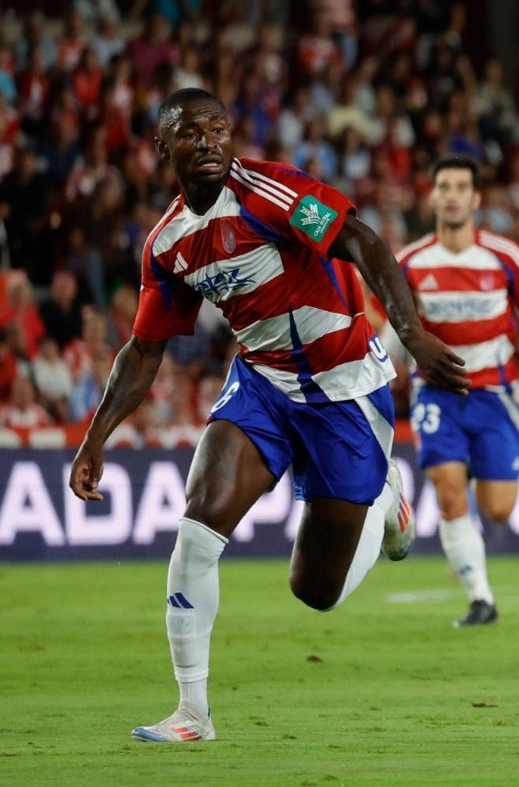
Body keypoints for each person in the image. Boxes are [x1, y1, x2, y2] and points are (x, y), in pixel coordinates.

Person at [68, 88, 469, 743]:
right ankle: (192, 713)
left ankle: (388, 499)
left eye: (218, 129)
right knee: (197, 527)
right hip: (264, 386)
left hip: (344, 390)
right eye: (190, 133)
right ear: (160, 149)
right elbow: (144, 350)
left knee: (316, 592)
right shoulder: (170, 243)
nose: (208, 143)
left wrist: (412, 332)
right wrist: (95, 438)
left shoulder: (271, 194)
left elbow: (361, 241)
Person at [394, 156, 519, 626]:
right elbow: (381, 316)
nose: (452, 194)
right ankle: (481, 598)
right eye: (444, 185)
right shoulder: (410, 260)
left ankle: (460, 506)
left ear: (475, 199)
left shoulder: (505, 256)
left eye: (461, 186)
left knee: (499, 509)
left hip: (494, 393)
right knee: (448, 493)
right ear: (433, 196)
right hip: (436, 393)